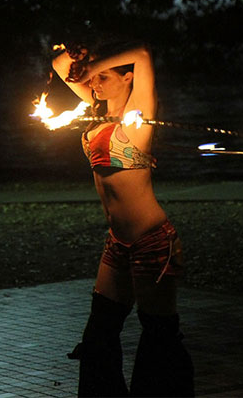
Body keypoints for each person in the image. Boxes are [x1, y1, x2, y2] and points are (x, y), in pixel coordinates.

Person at [53, 41, 194, 397]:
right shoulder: (96, 112)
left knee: (158, 334)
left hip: (152, 240)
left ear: (127, 78)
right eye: (92, 79)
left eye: (103, 77)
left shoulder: (140, 116)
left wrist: (94, 63)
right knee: (100, 331)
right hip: (117, 243)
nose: (94, 84)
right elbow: (58, 64)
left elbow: (144, 53)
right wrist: (79, 58)